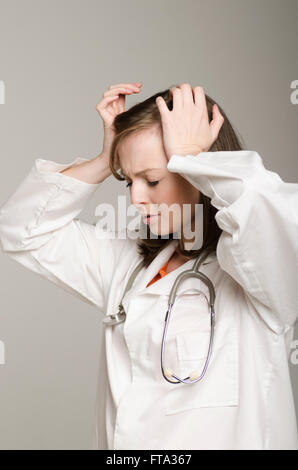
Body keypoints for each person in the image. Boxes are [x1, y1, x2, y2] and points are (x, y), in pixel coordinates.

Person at [0, 82, 297, 450]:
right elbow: (20, 230)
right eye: (128, 180)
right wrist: (104, 159)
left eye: (152, 179)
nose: (136, 198)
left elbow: (273, 215)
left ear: (200, 170)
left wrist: (193, 156)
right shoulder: (127, 267)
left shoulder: (261, 275)